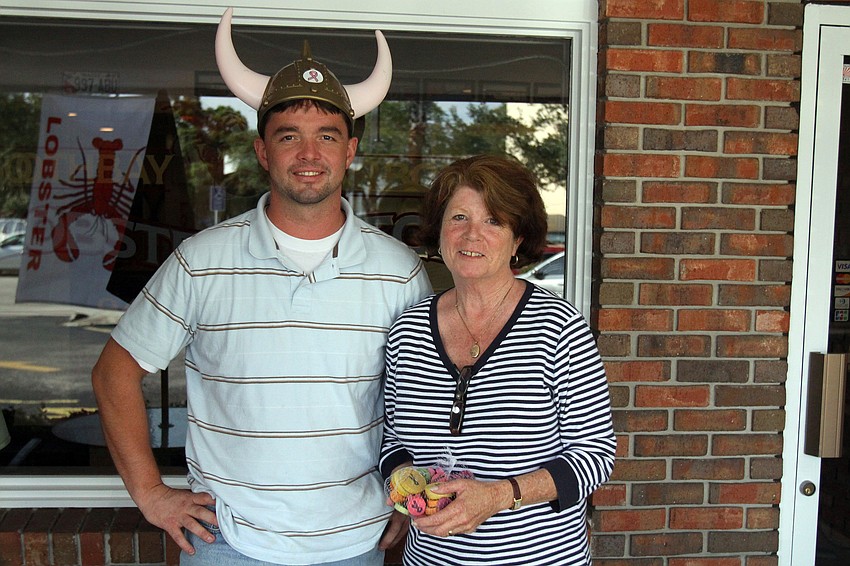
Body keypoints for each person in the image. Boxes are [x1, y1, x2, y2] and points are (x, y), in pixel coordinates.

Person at [91, 8, 431, 566]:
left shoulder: (399, 270)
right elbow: (114, 374)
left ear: (350, 151)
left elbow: (422, 401)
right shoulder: (201, 261)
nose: (309, 154)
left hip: (354, 542)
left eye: (328, 136)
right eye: (288, 136)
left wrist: (407, 493)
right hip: (227, 542)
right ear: (262, 150)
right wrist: (151, 495)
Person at [379, 154, 615, 565]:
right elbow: (393, 440)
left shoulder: (558, 327)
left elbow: (596, 455)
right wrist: (401, 479)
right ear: (439, 232)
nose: (472, 235)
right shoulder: (409, 330)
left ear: (518, 239)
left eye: (493, 221)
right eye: (458, 218)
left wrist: (501, 496)